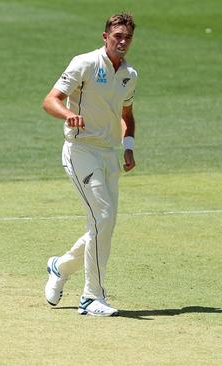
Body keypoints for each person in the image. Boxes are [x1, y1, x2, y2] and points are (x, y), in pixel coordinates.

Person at [41, 13, 138, 316]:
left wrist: (129, 145)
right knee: (104, 217)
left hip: (109, 154)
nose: (122, 42)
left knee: (103, 224)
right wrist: (67, 115)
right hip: (80, 149)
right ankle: (91, 297)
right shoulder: (84, 63)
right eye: (117, 36)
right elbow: (51, 100)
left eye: (127, 38)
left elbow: (127, 114)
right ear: (105, 36)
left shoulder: (130, 74)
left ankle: (60, 266)